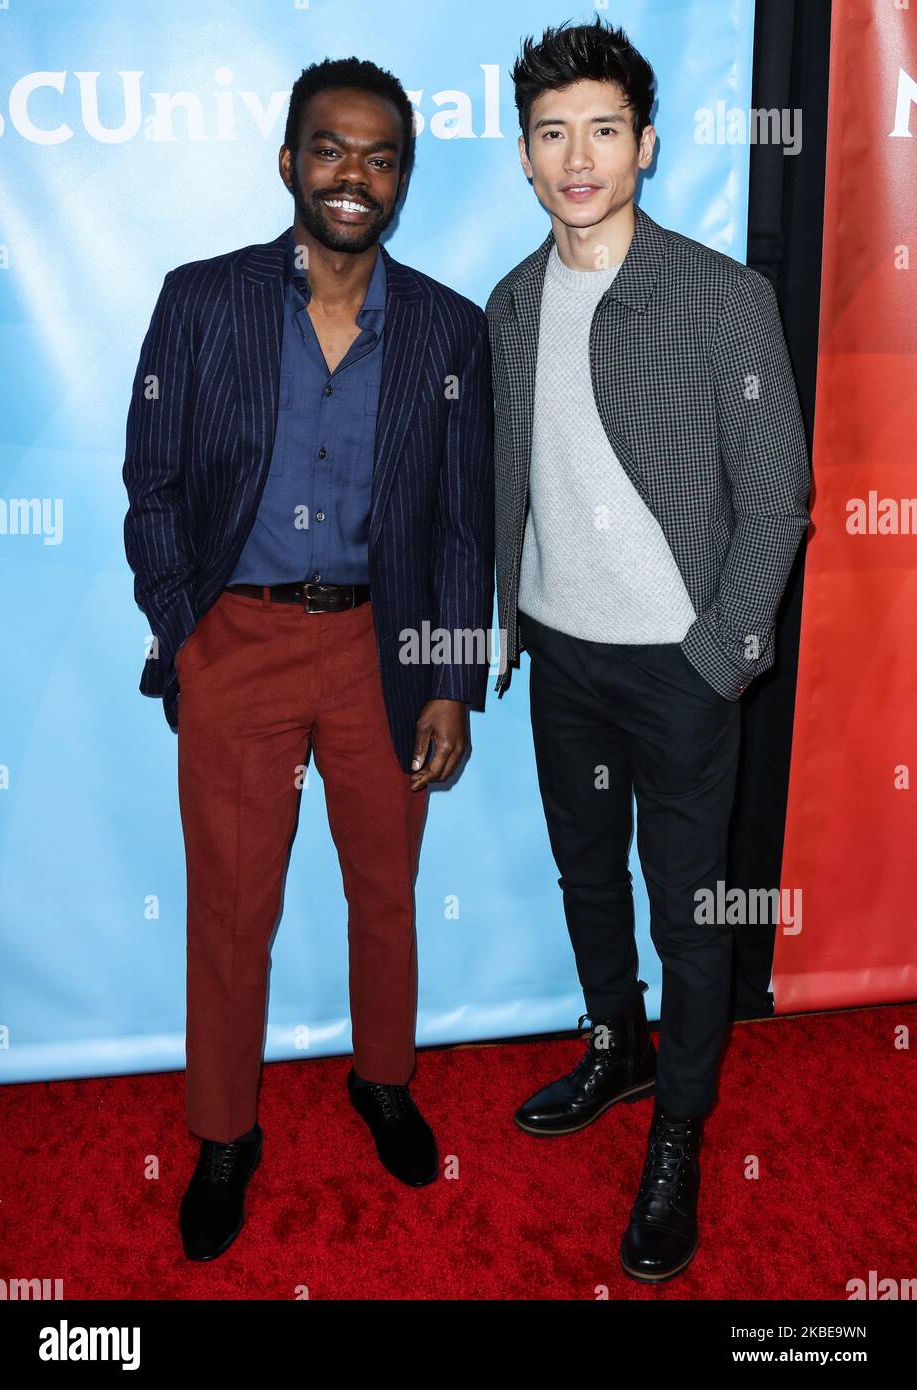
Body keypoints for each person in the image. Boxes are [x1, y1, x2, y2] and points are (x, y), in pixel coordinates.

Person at [122, 56, 494, 1261]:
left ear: (403, 181)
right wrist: (187, 631)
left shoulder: (447, 325)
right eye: (330, 148)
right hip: (238, 644)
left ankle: (382, 1082)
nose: (354, 175)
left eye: (380, 157)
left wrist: (448, 673)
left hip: (383, 652)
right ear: (289, 162)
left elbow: (462, 521)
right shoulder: (201, 300)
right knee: (234, 912)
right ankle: (225, 1133)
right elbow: (154, 481)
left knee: (385, 897)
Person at [487, 17, 810, 1282]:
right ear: (523, 156)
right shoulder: (513, 303)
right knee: (584, 876)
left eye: (603, 130)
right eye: (553, 132)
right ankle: (616, 1046)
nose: (578, 156)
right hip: (560, 658)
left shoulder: (720, 295)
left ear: (647, 146)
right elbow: (504, 480)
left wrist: (720, 656)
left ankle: (678, 1127)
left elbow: (778, 487)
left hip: (678, 672)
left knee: (689, 908)